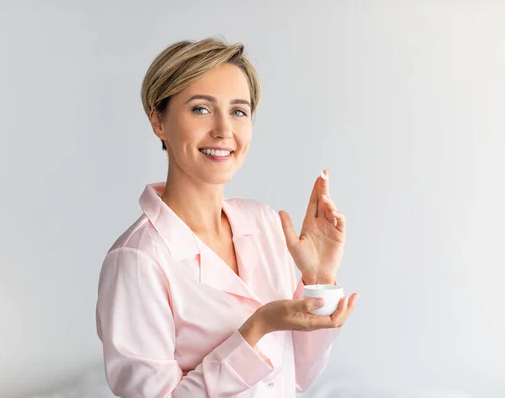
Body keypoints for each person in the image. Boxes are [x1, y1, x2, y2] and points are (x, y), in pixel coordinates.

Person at [96, 37, 358, 397]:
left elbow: (297, 377)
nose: (224, 130)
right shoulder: (137, 260)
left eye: (238, 111)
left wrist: (318, 279)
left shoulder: (264, 224)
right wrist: (257, 329)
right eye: (201, 109)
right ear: (158, 120)